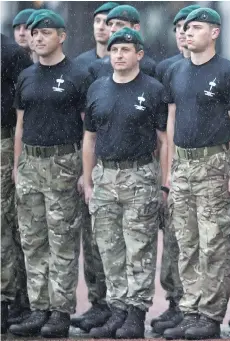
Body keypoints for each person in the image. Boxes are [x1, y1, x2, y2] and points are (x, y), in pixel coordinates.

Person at [161, 8, 230, 340]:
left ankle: (209, 315)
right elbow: (170, 121)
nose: (188, 32)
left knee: (214, 244)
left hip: (215, 165)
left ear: (214, 32)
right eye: (185, 27)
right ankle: (189, 309)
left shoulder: (228, 73)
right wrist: (168, 171)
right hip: (182, 165)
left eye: (196, 27)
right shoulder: (175, 71)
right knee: (186, 242)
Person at [9, 10, 91, 338]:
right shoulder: (26, 76)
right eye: (34, 33)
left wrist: (86, 173)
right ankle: (38, 307)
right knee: (32, 241)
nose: (38, 38)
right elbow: (19, 125)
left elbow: (89, 129)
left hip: (63, 163)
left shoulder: (78, 75)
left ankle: (60, 311)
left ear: (62, 36)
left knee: (62, 241)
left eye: (45, 32)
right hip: (30, 163)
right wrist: (17, 165)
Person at [81, 27, 166, 339]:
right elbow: (89, 138)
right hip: (104, 177)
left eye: (126, 50)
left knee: (139, 248)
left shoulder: (154, 89)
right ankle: (117, 309)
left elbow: (163, 140)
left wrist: (163, 182)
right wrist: (88, 180)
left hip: (139, 175)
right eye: (114, 50)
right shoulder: (97, 89)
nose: (118, 55)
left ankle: (136, 313)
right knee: (109, 248)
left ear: (139, 55)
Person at [149, 5, 200, 337]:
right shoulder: (166, 70)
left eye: (189, 27)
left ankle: (193, 307)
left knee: (195, 240)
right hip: (171, 162)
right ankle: (175, 301)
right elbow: (160, 126)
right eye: (179, 27)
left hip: (201, 162)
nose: (183, 32)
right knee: (174, 240)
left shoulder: (211, 70)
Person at [69, 3, 118, 333]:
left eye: (109, 22)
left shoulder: (143, 66)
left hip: (124, 160)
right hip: (93, 158)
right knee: (92, 236)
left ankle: (119, 304)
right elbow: (82, 122)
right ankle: (98, 301)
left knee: (118, 238)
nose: (102, 27)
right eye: (98, 21)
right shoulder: (83, 66)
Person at [0, 33, 33, 335]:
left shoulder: (10, 53)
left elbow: (22, 109)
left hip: (3, 141)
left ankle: (8, 299)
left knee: (5, 223)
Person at [87, 4, 157, 81]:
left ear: (135, 28)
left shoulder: (149, 67)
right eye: (110, 24)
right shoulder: (97, 67)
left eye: (119, 24)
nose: (112, 29)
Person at [153, 5, 200, 83]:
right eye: (178, 26)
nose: (181, 31)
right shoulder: (165, 68)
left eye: (186, 26)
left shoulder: (219, 68)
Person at [73, 2, 120, 67]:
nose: (100, 27)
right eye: (97, 21)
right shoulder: (81, 63)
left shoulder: (122, 63)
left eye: (107, 23)